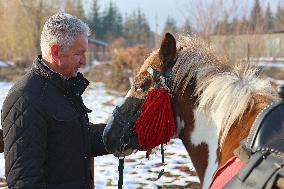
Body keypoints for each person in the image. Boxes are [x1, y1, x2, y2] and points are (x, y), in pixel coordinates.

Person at [1, 13, 108, 189]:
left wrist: (125, 131)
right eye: (79, 54)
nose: (84, 61)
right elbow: (24, 180)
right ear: (56, 51)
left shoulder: (64, 88)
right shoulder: (25, 98)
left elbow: (78, 141)